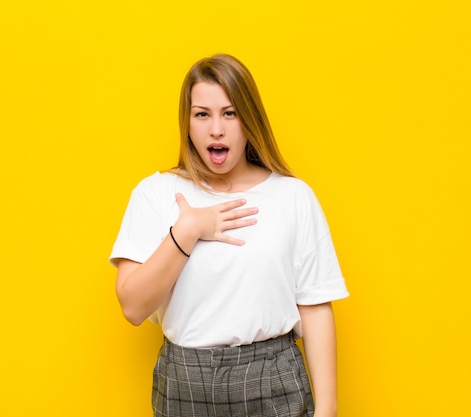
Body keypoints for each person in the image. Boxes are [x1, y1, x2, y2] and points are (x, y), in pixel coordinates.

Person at [110, 54, 349, 417]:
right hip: (184, 381)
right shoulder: (155, 193)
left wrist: (328, 410)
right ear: (187, 122)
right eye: (202, 114)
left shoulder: (293, 196)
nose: (216, 130)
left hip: (272, 379)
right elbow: (133, 306)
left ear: (249, 120)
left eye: (230, 113)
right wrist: (187, 231)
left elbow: (314, 307)